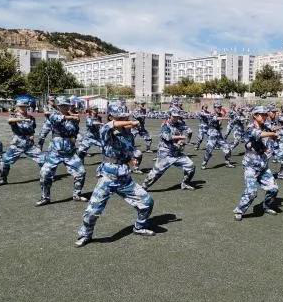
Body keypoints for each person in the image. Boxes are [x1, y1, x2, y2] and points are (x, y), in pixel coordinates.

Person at [75, 102, 155, 247]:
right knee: (92, 211)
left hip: (124, 178)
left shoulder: (128, 134)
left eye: (126, 116)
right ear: (111, 117)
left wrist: (131, 160)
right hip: (108, 177)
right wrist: (131, 122)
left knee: (147, 202)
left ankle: (139, 226)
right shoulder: (105, 130)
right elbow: (109, 126)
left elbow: (127, 151)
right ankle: (85, 234)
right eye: (121, 117)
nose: (125, 119)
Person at [36, 97, 87, 206]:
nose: (64, 107)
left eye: (66, 105)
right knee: (45, 173)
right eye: (62, 105)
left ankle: (77, 194)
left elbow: (75, 131)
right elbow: (52, 122)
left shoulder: (74, 117)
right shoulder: (53, 115)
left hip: (70, 152)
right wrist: (40, 144)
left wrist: (74, 135)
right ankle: (45, 197)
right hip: (55, 152)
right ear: (58, 106)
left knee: (81, 172)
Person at [232, 106, 280, 221]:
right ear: (255, 115)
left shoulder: (265, 127)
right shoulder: (250, 128)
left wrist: (274, 136)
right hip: (251, 166)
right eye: (262, 115)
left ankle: (266, 206)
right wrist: (272, 134)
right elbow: (258, 134)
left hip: (263, 165)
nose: (264, 117)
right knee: (252, 192)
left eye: (265, 115)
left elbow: (271, 136)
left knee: (273, 189)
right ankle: (239, 210)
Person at [143, 110, 196, 191]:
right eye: (174, 116)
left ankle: (185, 184)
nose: (176, 118)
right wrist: (181, 137)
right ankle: (143, 187)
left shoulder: (180, 123)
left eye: (177, 117)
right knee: (156, 173)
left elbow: (189, 131)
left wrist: (186, 141)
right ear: (170, 116)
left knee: (191, 166)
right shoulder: (165, 125)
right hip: (165, 153)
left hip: (177, 152)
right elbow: (167, 137)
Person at [0, 98, 44, 186]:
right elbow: (10, 121)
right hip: (17, 144)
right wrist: (23, 119)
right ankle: (3, 179)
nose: (22, 108)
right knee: (4, 161)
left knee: (43, 159)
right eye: (20, 106)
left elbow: (32, 129)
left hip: (29, 144)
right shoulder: (13, 116)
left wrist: (32, 135)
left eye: (24, 106)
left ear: (27, 107)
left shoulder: (31, 118)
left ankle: (45, 177)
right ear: (17, 107)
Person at [201, 102, 234, 170]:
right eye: (218, 107)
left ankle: (227, 162)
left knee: (228, 148)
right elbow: (217, 118)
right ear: (214, 108)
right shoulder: (212, 114)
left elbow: (219, 123)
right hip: (212, 135)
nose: (219, 108)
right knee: (209, 150)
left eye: (220, 107)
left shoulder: (220, 114)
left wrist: (222, 120)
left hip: (219, 135)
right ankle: (204, 163)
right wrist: (226, 118)